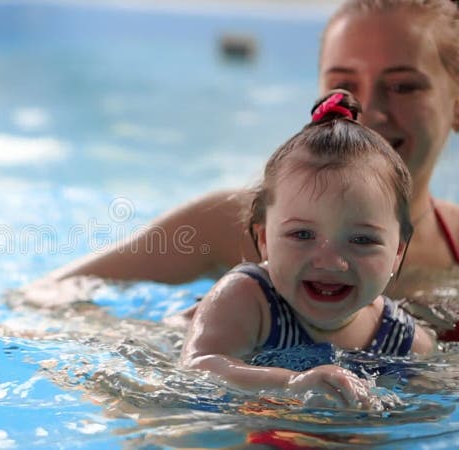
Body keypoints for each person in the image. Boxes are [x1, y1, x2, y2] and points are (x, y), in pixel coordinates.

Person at [37, 0, 459, 339]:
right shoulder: (228, 222)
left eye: (404, 85)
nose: (370, 108)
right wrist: (166, 341)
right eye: (344, 83)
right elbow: (46, 296)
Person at [179, 90, 435, 409]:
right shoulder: (247, 300)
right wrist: (292, 383)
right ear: (263, 240)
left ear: (397, 252)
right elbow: (197, 366)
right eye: (302, 234)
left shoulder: (405, 342)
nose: (330, 262)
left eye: (362, 240)